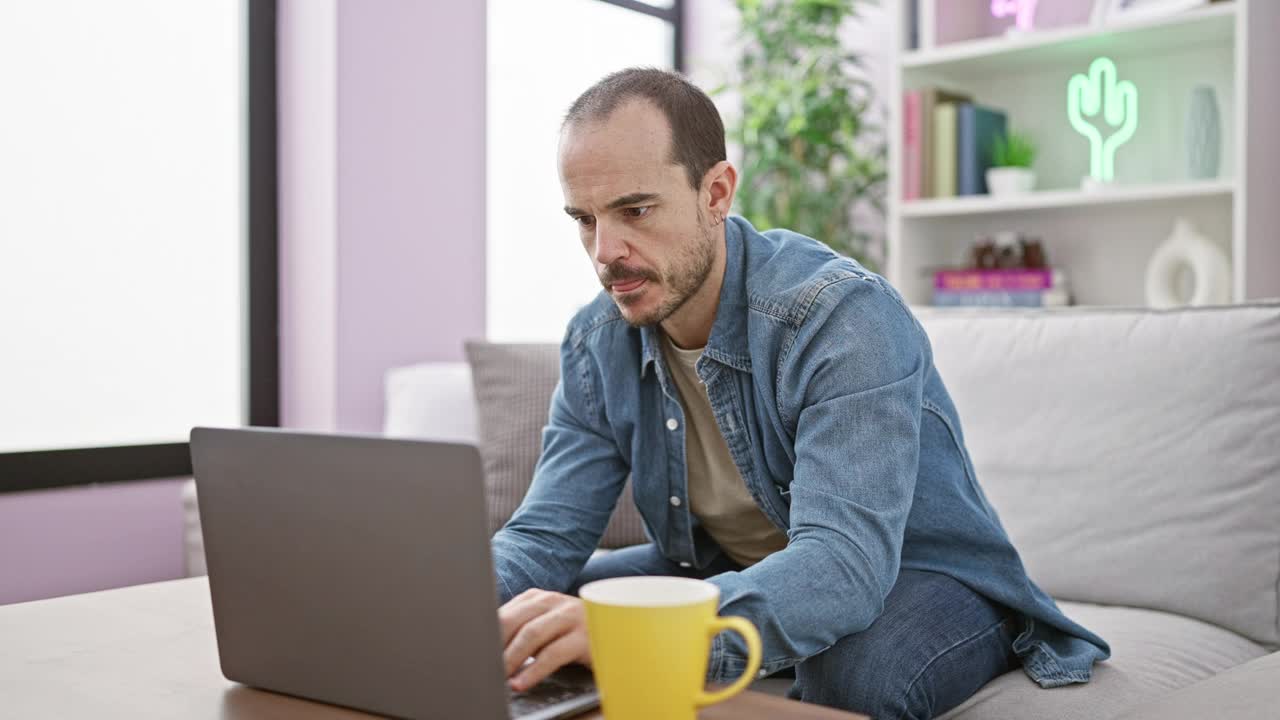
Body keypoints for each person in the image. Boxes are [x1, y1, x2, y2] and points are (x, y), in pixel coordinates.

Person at [490, 68, 1108, 720]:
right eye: (584, 220)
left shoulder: (839, 317)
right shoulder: (597, 341)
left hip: (917, 570)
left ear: (716, 193)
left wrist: (648, 635)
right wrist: (442, 606)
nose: (605, 252)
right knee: (537, 619)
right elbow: (544, 536)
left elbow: (843, 564)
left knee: (856, 675)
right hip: (726, 563)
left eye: (635, 210)